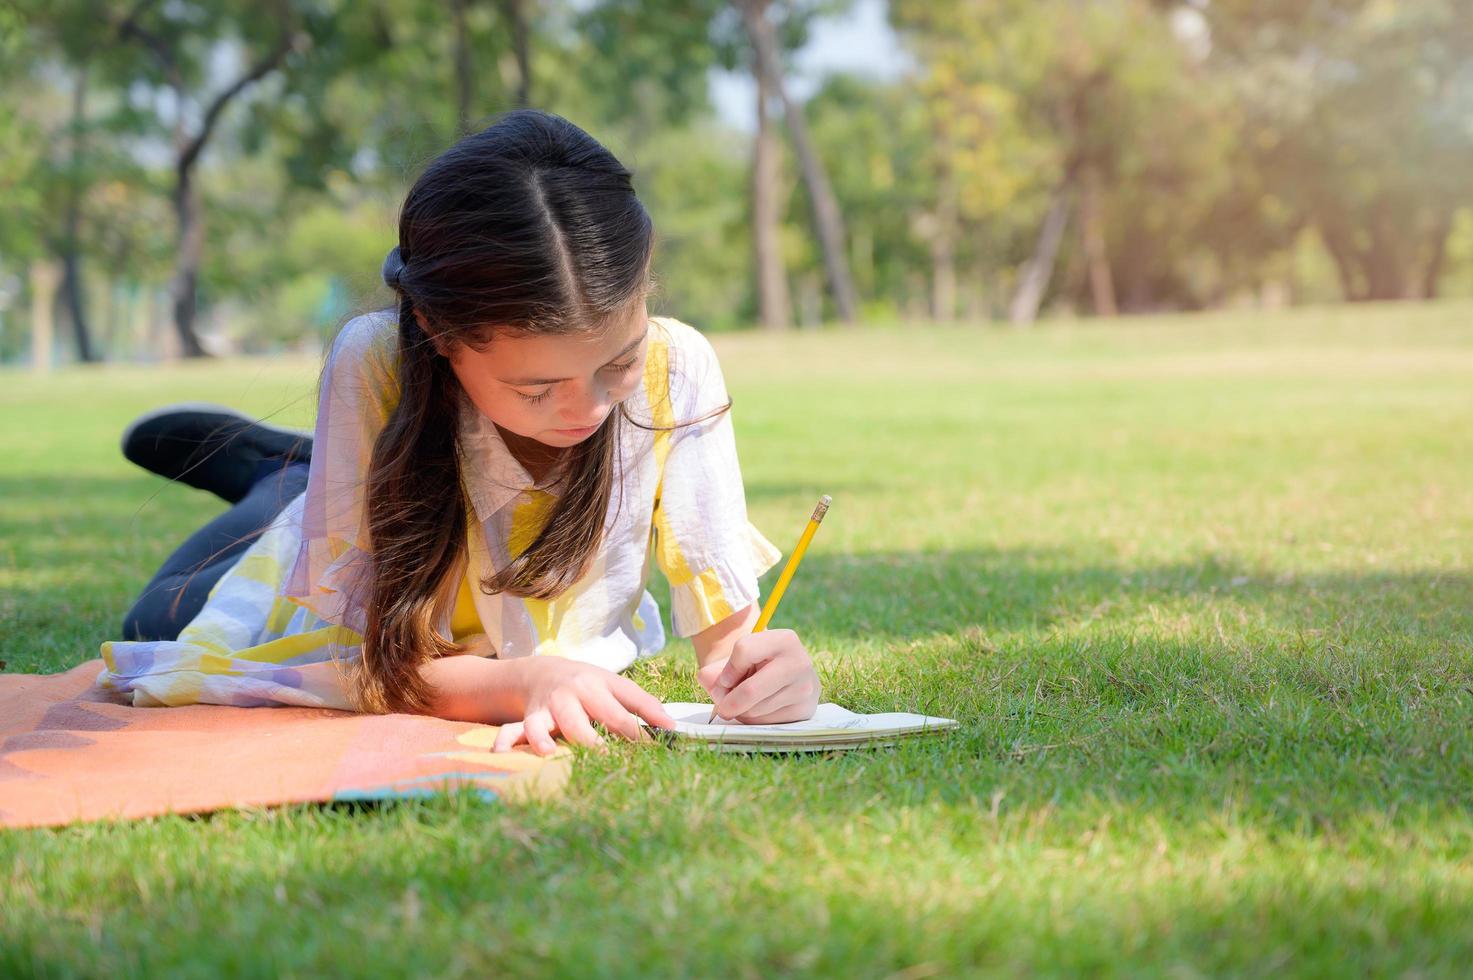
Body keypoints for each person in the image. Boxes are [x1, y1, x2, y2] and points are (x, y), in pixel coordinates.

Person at [96, 109, 822, 755]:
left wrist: (764, 675)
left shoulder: (677, 366)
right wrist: (519, 682)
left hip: (414, 540)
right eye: (534, 389)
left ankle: (295, 475)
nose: (587, 410)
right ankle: (282, 476)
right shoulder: (376, 361)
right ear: (438, 335)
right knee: (158, 622)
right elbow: (374, 665)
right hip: (356, 560)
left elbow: (728, 648)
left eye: (618, 364)